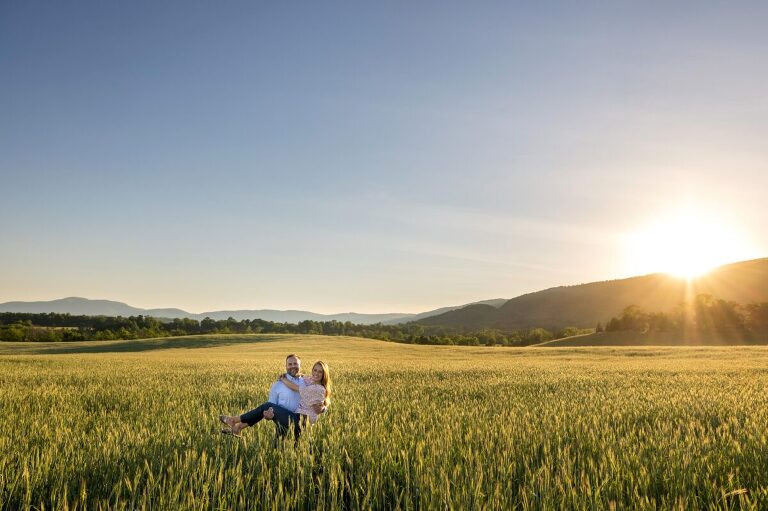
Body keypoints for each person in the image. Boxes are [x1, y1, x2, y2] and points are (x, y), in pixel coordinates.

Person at [219, 355, 330, 439]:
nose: (293, 366)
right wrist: (268, 416)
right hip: (283, 422)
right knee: (278, 451)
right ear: (286, 366)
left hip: (300, 422)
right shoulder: (281, 384)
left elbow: (318, 398)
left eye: (295, 364)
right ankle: (237, 427)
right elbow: (271, 407)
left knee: (296, 452)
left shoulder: (308, 384)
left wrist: (323, 408)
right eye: (290, 364)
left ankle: (234, 421)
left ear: (299, 366)